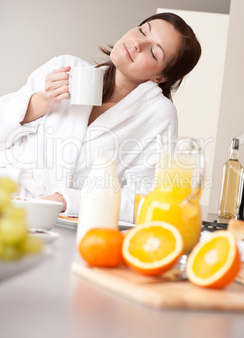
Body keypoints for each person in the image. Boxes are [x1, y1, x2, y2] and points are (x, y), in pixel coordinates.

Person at [0, 12, 201, 222]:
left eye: (153, 52)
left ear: (160, 77)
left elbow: (144, 202)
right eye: (143, 30)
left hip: (64, 227)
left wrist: (67, 200)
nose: (137, 44)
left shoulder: (157, 115)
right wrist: (39, 102)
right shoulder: (63, 67)